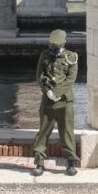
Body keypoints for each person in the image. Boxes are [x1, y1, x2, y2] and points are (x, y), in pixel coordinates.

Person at [31, 29, 79, 176]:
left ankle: (71, 163)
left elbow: (70, 79)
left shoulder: (71, 57)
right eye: (52, 48)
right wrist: (48, 92)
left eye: (56, 48)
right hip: (47, 101)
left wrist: (57, 93)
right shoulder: (44, 55)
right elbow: (39, 76)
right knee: (43, 132)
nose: (53, 51)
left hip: (65, 101)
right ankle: (39, 163)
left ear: (63, 44)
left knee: (67, 133)